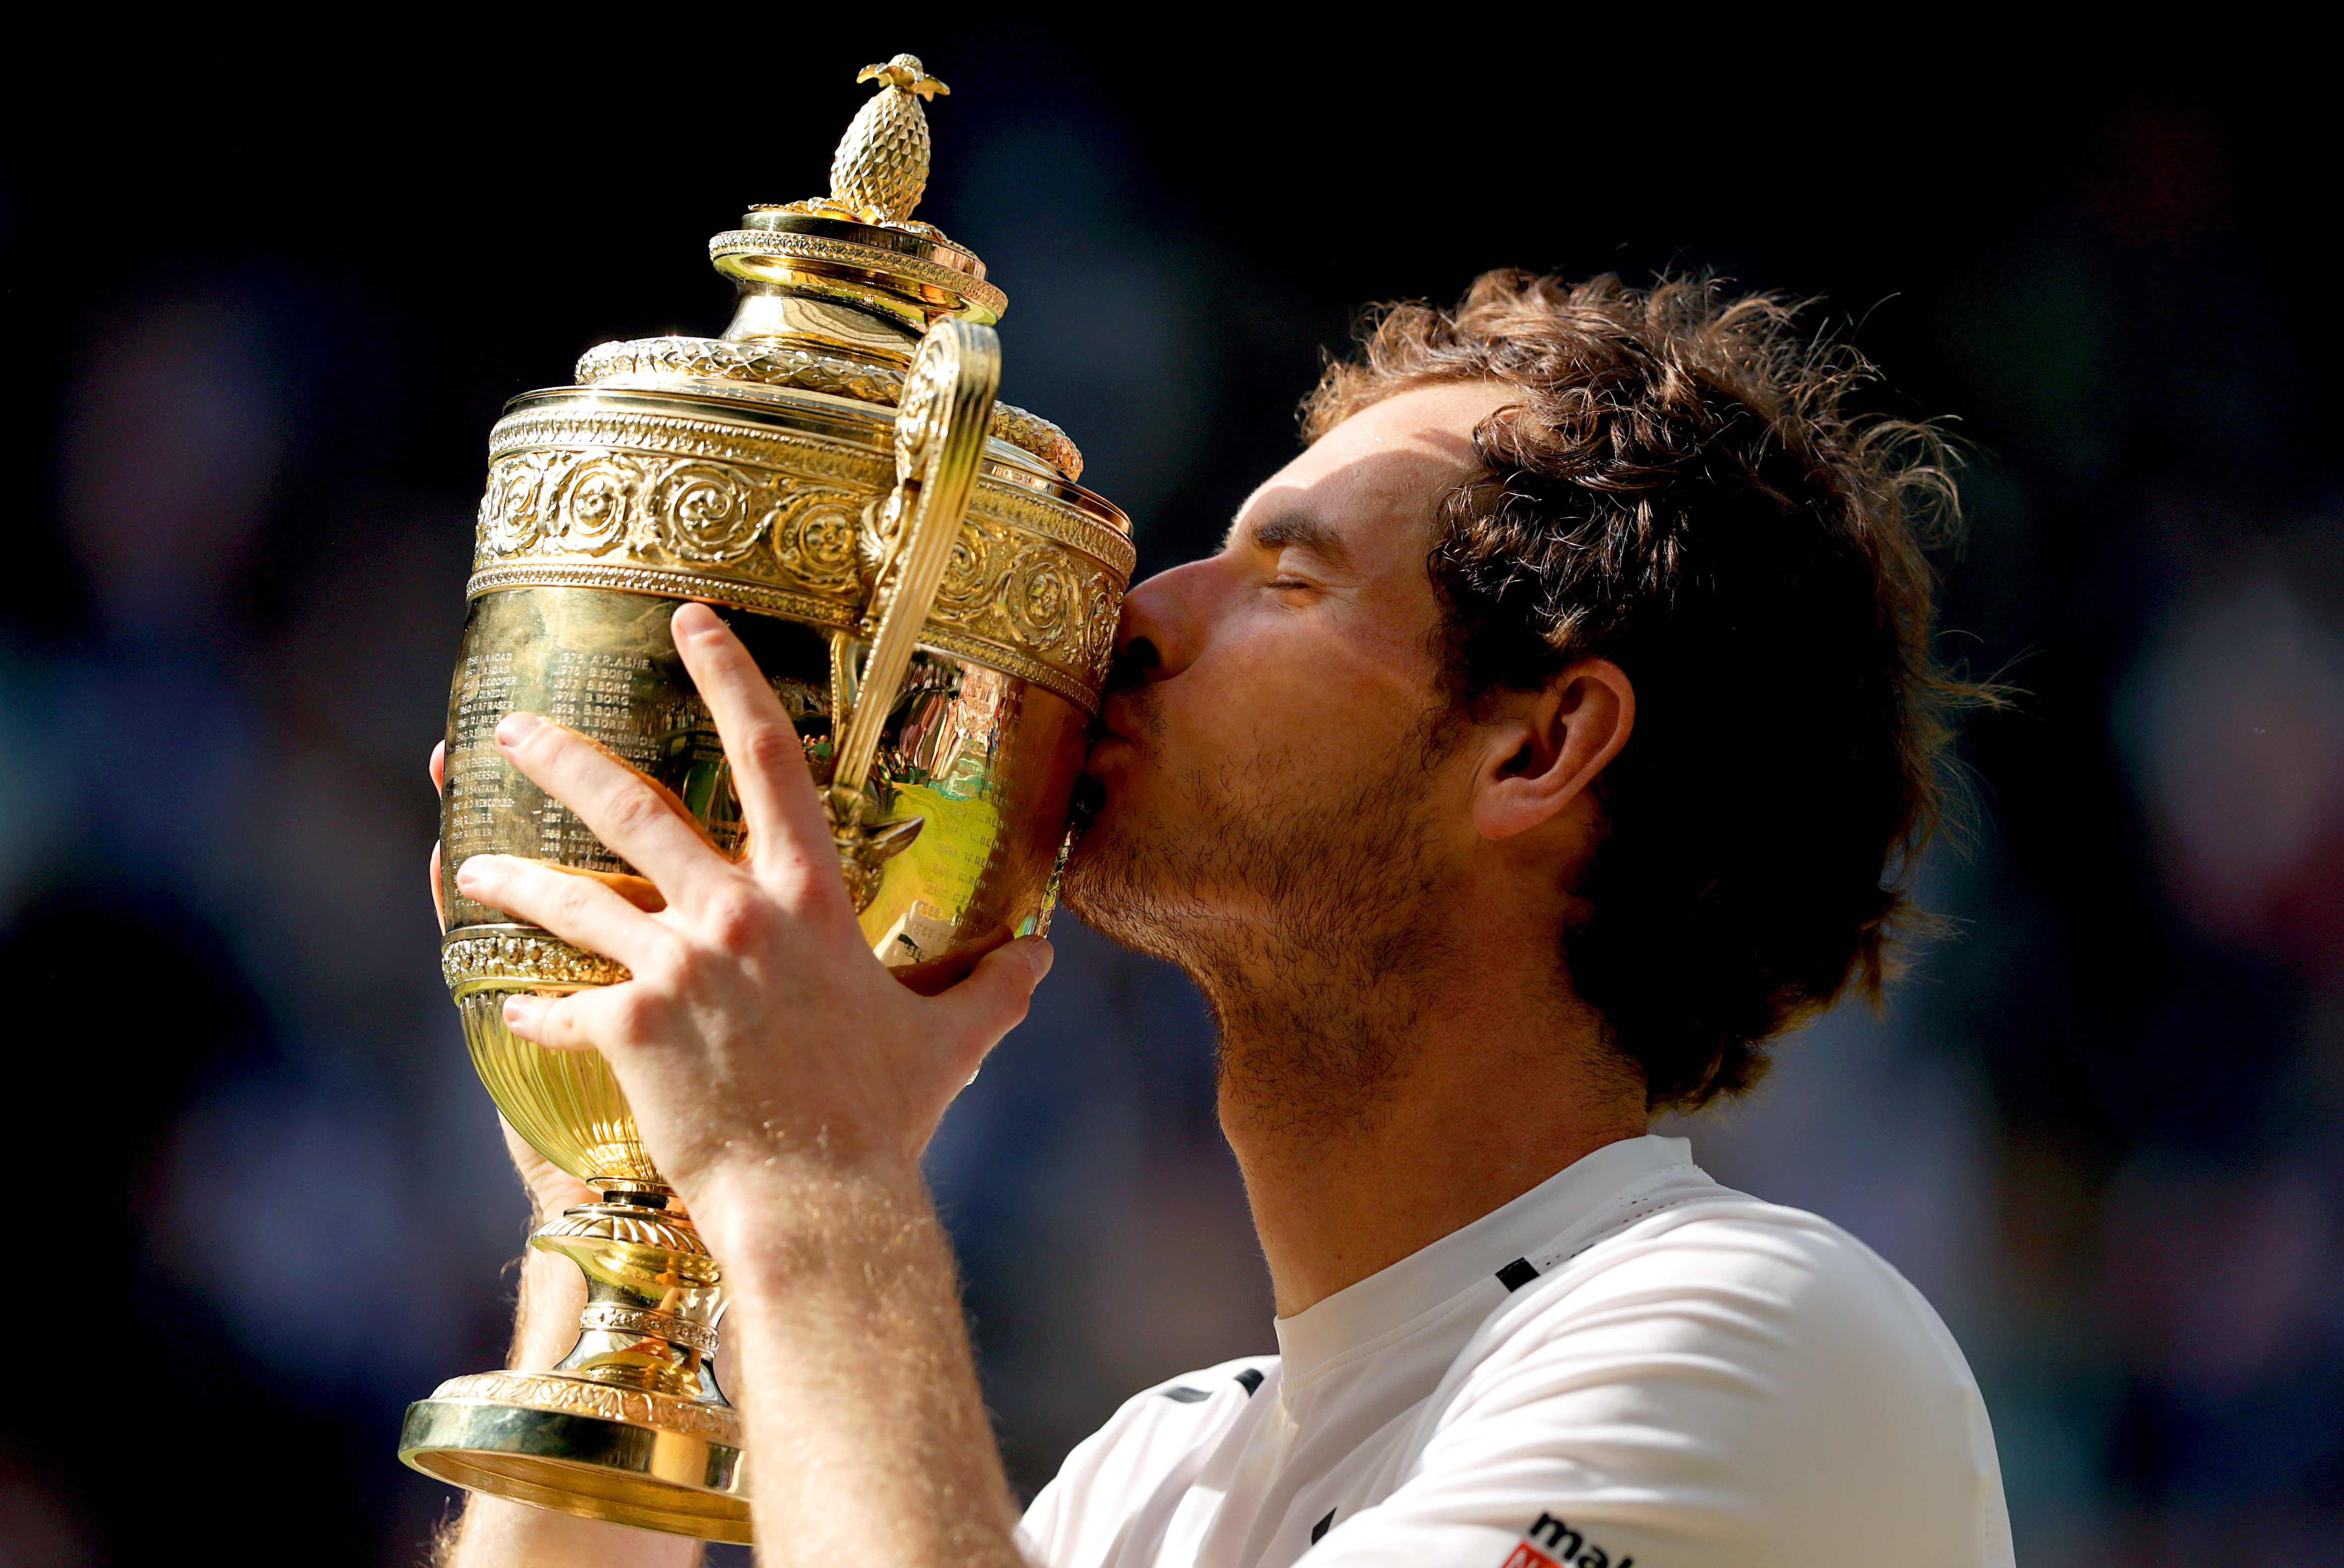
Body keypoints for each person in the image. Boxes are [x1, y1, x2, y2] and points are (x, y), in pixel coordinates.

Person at [435, 272, 2014, 1568]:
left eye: (1285, 576)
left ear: (1536, 747)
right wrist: (627, 1197)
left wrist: (807, 1167)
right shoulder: (1151, 1479)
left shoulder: (1759, 1340)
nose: (1135, 622)